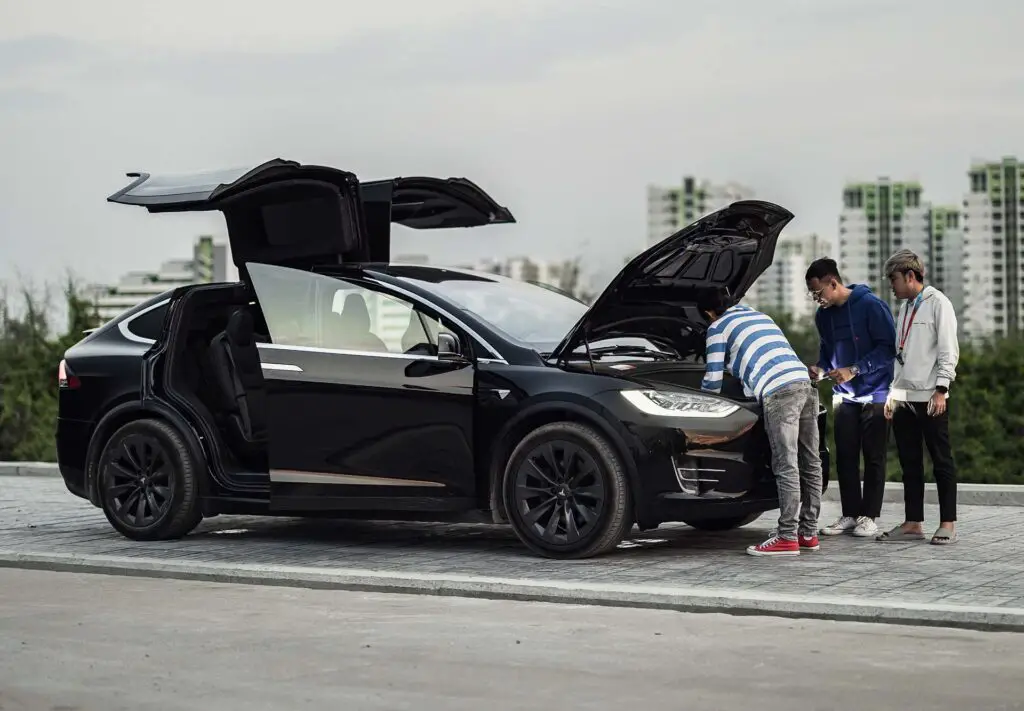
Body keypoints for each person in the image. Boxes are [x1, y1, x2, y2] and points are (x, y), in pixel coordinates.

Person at [698, 287, 823, 557]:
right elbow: (761, 354)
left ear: (709, 313)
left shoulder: (717, 327)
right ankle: (808, 532)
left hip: (779, 393)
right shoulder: (759, 316)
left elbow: (712, 382)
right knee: (810, 462)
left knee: (785, 463)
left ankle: (787, 537)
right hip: (804, 383)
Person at [805, 258, 897, 539]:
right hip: (844, 397)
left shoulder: (871, 306)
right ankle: (849, 514)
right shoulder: (823, 316)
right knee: (844, 456)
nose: (816, 299)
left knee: (873, 457)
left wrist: (855, 370)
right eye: (812, 294)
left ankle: (869, 516)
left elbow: (888, 349)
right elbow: (826, 352)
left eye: (818, 292)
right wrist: (819, 369)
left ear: (834, 283)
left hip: (877, 394)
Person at [875, 249, 960, 545]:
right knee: (910, 462)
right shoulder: (906, 307)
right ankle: (913, 523)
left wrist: (942, 389)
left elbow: (948, 350)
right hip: (903, 396)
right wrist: (891, 394)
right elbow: (901, 355)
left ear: (911, 276)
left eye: (894, 279)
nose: (891, 285)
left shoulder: (939, 304)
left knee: (941, 460)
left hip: (930, 396)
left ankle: (948, 523)